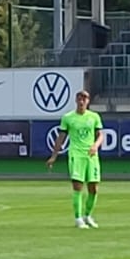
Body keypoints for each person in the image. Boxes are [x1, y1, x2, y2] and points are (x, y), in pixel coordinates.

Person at [46, 90, 103, 228]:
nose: (82, 101)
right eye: (79, 99)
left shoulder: (94, 117)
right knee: (78, 186)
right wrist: (54, 156)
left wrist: (95, 145)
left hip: (91, 156)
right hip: (76, 155)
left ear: (88, 101)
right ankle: (78, 218)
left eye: (84, 99)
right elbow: (61, 138)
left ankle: (87, 216)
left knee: (94, 188)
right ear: (76, 100)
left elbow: (100, 135)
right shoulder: (68, 118)